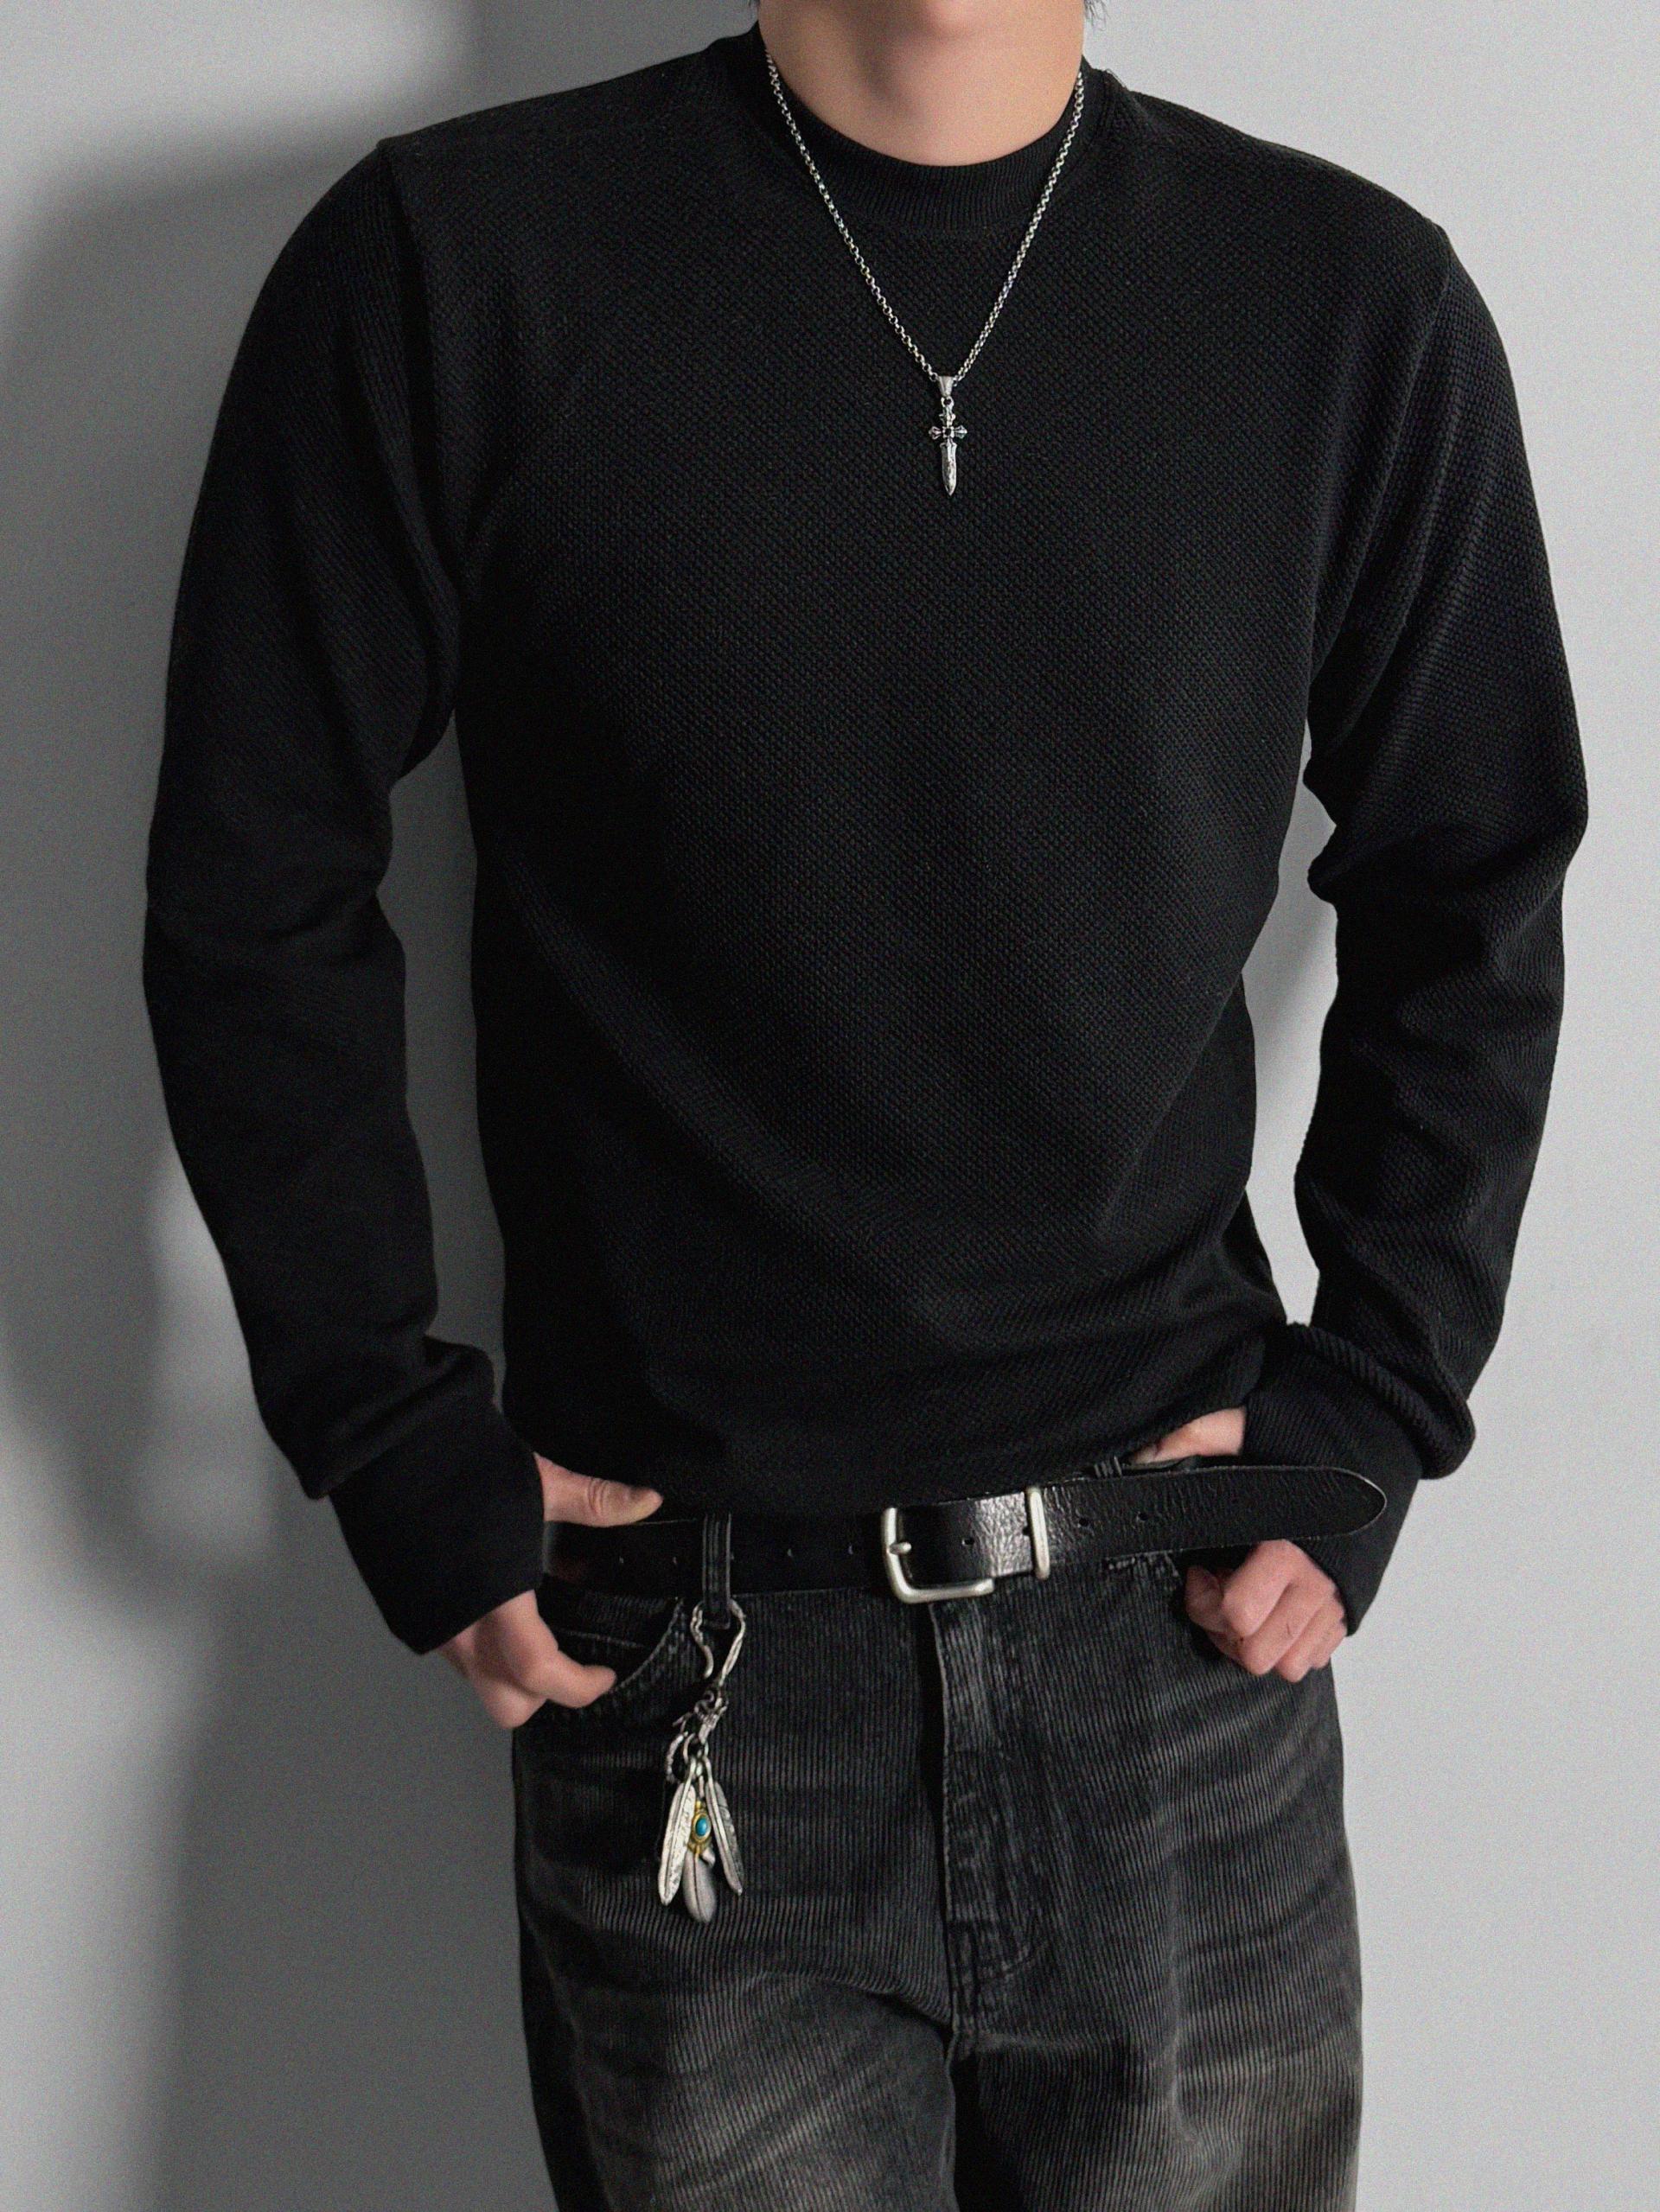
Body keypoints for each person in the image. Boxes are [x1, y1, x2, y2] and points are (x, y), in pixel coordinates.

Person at [140, 2, 1587, 2205]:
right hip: (688, 1651)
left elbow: (1473, 876)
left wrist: (1380, 1395)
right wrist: (384, 1424)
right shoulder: (453, 267)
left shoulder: (1349, 303)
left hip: (1180, 1646)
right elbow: (255, 880)